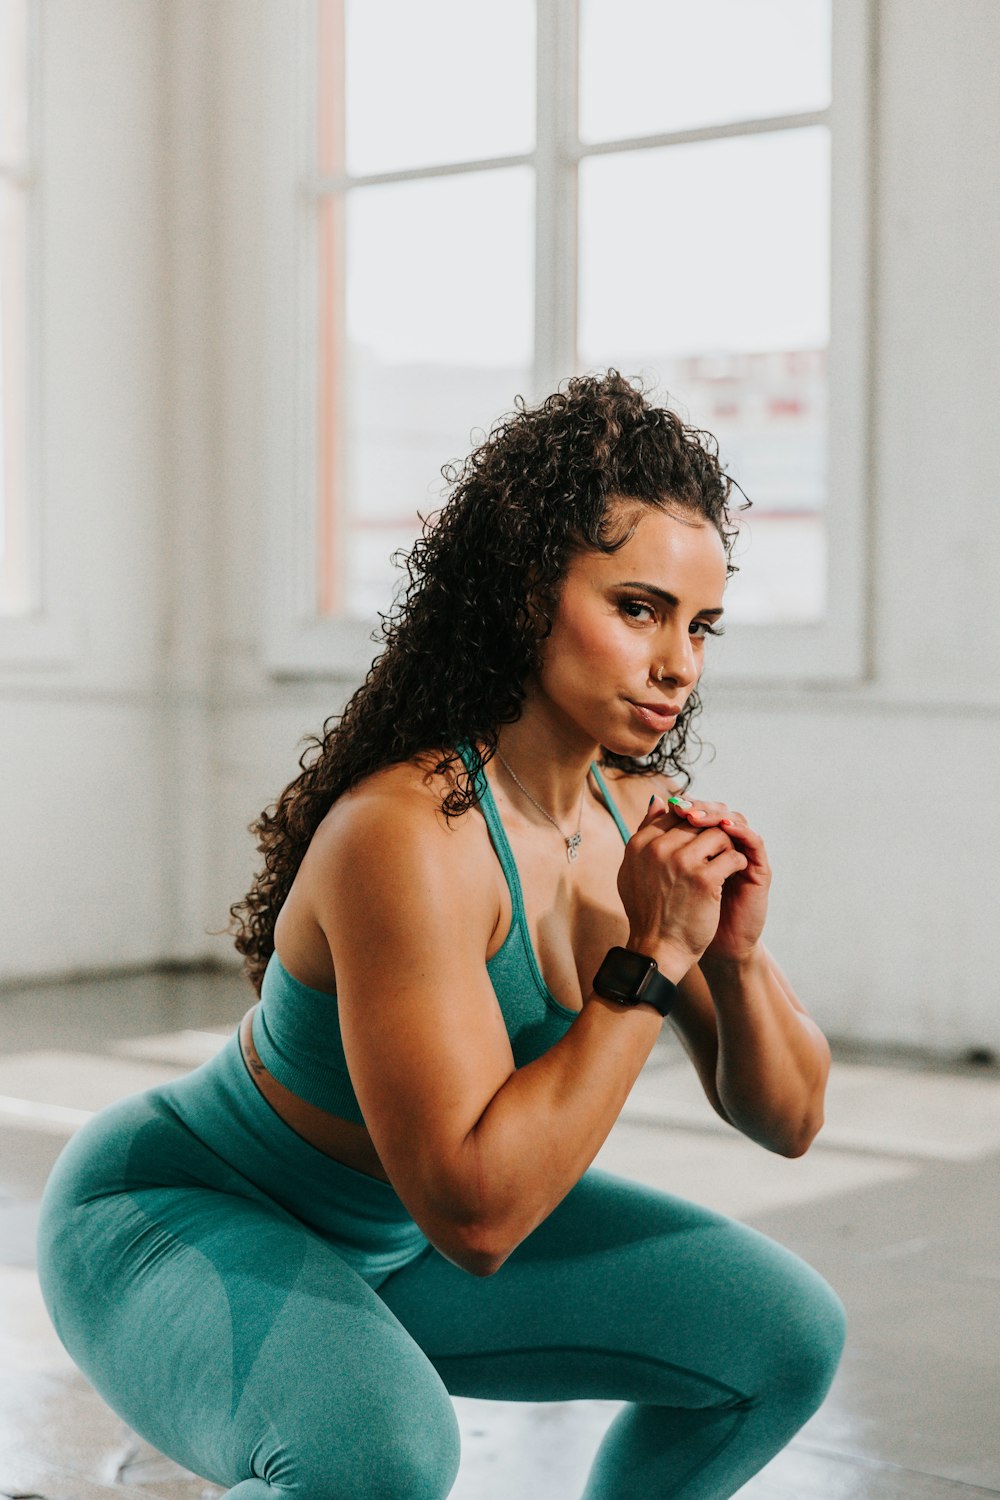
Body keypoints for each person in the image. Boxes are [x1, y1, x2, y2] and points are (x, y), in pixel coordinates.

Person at [37, 371, 845, 1500]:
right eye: (637, 608)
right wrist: (651, 960)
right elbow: (476, 1212)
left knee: (783, 1339)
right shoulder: (405, 835)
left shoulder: (632, 815)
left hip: (392, 1242)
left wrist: (733, 955)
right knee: (378, 1462)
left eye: (698, 625)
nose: (679, 665)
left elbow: (793, 1119)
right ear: (524, 594)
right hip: (183, 1214)